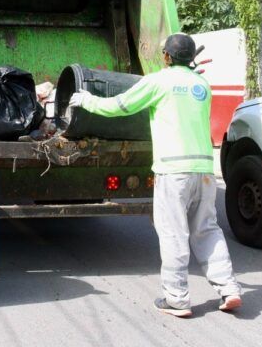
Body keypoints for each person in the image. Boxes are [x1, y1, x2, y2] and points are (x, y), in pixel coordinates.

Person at [69, 32, 242, 318]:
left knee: (174, 232)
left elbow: (119, 106)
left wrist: (86, 100)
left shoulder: (158, 81)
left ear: (166, 57)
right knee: (207, 229)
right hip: (204, 171)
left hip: (173, 171)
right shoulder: (202, 85)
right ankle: (229, 288)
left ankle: (176, 298)